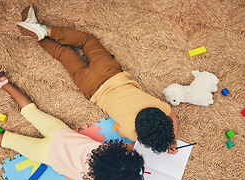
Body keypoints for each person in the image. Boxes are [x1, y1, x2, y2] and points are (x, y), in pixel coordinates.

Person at [16, 5, 179, 154]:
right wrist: (166, 144)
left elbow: (172, 115)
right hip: (90, 87)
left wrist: (174, 139)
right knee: (63, 54)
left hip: (110, 72)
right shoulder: (131, 133)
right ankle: (39, 35)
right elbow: (125, 132)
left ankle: (45, 30)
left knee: (86, 40)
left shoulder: (159, 107)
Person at [0, 71, 145, 180]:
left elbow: (126, 152)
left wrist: (132, 161)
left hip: (60, 133)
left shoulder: (105, 150)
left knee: (32, 112)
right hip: (46, 153)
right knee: (9, 140)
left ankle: (2, 82)